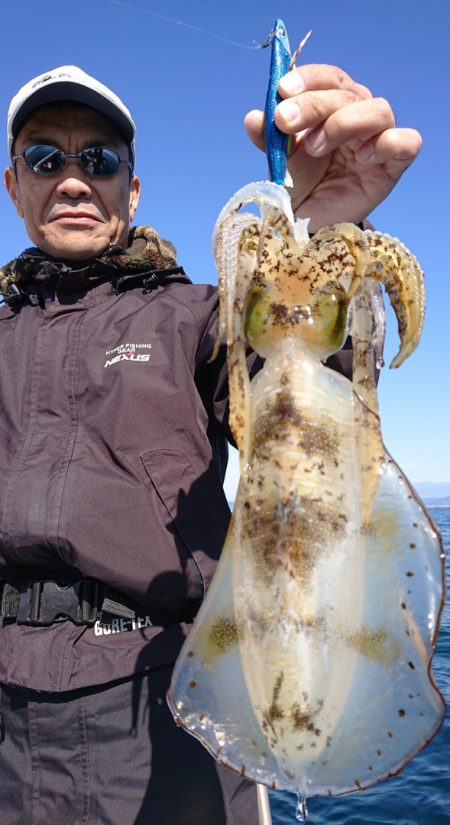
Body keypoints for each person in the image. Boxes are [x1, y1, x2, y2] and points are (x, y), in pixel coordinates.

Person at [0, 62, 421, 825]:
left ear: (131, 190)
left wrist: (325, 238)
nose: (73, 179)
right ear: (14, 185)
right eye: (45, 156)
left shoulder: (195, 315)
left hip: (165, 696)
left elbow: (300, 391)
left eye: (99, 159)